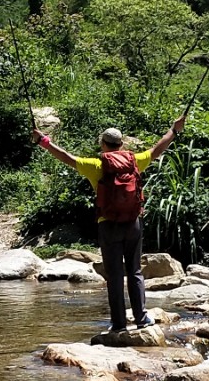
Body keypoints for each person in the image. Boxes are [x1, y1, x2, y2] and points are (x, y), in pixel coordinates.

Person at [33, 115, 187, 333]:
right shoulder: (135, 160)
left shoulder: (96, 165)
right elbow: (156, 151)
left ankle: (119, 324)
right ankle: (142, 318)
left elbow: (66, 158)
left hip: (108, 225)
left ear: (103, 145)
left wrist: (43, 141)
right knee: (134, 271)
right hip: (133, 223)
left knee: (114, 275)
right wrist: (174, 129)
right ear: (121, 144)